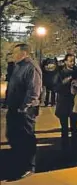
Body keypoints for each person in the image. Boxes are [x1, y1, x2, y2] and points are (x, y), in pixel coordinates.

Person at [6, 44, 42, 180]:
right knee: (13, 134)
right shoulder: (17, 66)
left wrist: (24, 107)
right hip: (14, 107)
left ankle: (28, 166)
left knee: (26, 137)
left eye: (15, 53)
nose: (13, 55)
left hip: (25, 109)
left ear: (24, 53)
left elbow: (34, 90)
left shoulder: (31, 67)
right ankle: (17, 160)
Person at [55, 54, 77, 159]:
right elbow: (55, 87)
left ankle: (75, 148)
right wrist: (64, 83)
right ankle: (64, 148)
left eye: (73, 61)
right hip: (63, 102)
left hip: (74, 102)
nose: (72, 63)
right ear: (65, 62)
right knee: (64, 128)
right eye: (70, 61)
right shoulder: (60, 73)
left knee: (74, 127)